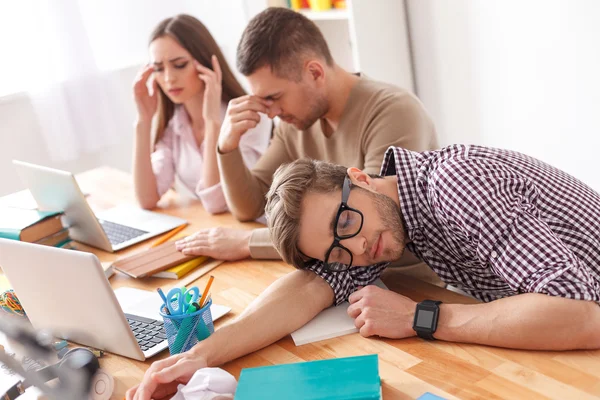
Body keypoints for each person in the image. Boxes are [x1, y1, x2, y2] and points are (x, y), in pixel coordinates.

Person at [126, 144, 600, 400]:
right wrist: (198, 358)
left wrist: (422, 318)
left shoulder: (453, 184)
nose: (356, 249)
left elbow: (583, 315)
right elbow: (308, 288)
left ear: (358, 177)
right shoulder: (378, 225)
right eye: (337, 253)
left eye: (344, 223)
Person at [174, 8, 440, 284]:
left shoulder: (393, 111)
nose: (272, 112)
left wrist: (246, 243)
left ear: (314, 72)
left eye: (274, 97)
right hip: (348, 279)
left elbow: (367, 228)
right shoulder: (296, 123)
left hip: (408, 285)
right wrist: (227, 144)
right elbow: (249, 205)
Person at [132, 14, 271, 214]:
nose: (169, 78)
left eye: (179, 65)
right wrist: (143, 121)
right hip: (214, 230)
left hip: (254, 231)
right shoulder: (175, 124)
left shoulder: (248, 117)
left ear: (206, 63)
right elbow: (146, 198)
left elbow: (217, 204)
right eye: (159, 69)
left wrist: (212, 122)